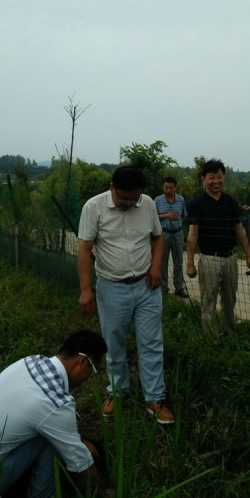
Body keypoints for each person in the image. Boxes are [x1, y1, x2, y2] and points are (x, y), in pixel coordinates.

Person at [77, 165, 174, 425]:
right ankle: (117, 392)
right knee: (114, 343)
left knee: (152, 343)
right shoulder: (93, 207)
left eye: (135, 198)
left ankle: (154, 398)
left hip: (147, 287)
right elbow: (85, 249)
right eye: (124, 198)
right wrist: (86, 290)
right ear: (112, 188)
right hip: (111, 288)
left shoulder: (148, 205)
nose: (130, 203)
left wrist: (155, 267)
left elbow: (157, 238)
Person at [0, 330, 107, 498]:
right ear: (83, 361)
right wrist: (100, 492)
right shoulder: (56, 402)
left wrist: (80, 440)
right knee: (51, 440)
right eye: (93, 371)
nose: (89, 378)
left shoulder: (29, 362)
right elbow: (82, 466)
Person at [186, 159, 250, 336]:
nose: (216, 181)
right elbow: (193, 234)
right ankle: (208, 338)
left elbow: (240, 230)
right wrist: (190, 263)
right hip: (209, 258)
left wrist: (248, 255)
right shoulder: (196, 204)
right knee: (208, 301)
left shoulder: (231, 202)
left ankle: (228, 335)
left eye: (220, 177)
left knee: (230, 300)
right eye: (211, 177)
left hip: (231, 258)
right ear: (203, 178)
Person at [154, 176, 189, 298]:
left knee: (178, 261)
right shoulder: (157, 200)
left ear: (175, 188)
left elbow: (185, 216)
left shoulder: (181, 200)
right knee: (163, 261)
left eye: (170, 188)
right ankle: (163, 288)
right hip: (163, 233)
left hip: (178, 233)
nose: (168, 190)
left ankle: (179, 287)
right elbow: (153, 218)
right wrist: (166, 216)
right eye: (166, 187)